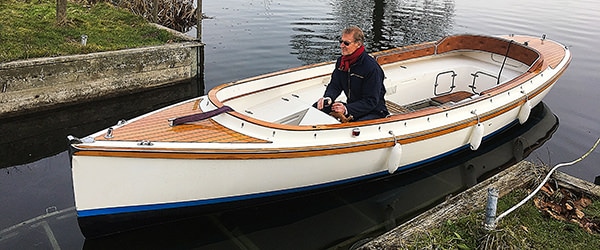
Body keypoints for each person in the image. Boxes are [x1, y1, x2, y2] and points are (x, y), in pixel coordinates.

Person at [314, 26, 389, 122]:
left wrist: (346, 109)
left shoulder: (371, 68)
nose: (342, 45)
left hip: (374, 111)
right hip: (352, 105)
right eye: (341, 42)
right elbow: (335, 85)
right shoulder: (342, 62)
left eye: (346, 43)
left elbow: (371, 101)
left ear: (358, 44)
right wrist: (328, 98)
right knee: (317, 107)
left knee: (355, 126)